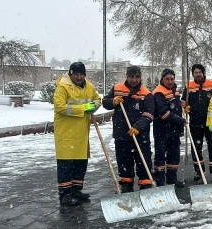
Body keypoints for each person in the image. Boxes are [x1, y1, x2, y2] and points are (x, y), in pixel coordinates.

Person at [53, 62, 101, 206]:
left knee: (80, 163)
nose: (79, 77)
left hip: (82, 133)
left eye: (82, 74)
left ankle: (76, 190)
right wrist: (84, 108)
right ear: (70, 74)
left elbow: (97, 100)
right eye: (76, 74)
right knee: (66, 165)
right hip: (66, 133)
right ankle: (65, 195)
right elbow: (60, 107)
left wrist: (93, 106)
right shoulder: (63, 87)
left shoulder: (89, 86)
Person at [102, 66, 154, 192]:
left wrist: (138, 126)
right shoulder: (117, 88)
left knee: (143, 159)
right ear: (127, 76)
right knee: (124, 159)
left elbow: (149, 114)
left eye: (137, 77)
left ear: (140, 78)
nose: (134, 80)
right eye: (131, 77)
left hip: (140, 135)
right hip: (121, 133)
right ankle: (126, 183)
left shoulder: (146, 93)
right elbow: (105, 102)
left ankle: (145, 183)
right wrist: (113, 101)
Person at [183, 64, 212, 183]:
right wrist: (185, 108)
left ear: (203, 73)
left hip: (210, 122)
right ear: (193, 74)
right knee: (196, 148)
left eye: (200, 72)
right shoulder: (188, 87)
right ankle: (199, 171)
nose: (198, 74)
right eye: (195, 72)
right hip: (195, 122)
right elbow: (183, 102)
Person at [153, 69, 186, 187]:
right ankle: (160, 181)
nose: (170, 81)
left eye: (172, 79)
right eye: (167, 79)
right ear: (162, 79)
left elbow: (175, 106)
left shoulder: (174, 90)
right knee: (161, 156)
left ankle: (172, 179)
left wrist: (182, 105)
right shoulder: (158, 92)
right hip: (162, 130)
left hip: (174, 130)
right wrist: (180, 120)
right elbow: (163, 113)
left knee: (174, 155)